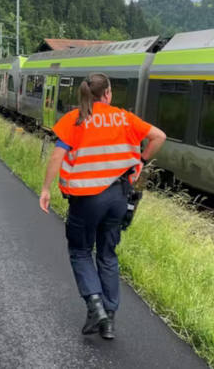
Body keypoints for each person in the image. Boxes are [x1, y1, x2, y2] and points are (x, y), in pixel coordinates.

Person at [38, 73, 166, 340]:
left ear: (85, 94)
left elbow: (57, 156)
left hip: (86, 200)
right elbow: (159, 137)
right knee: (107, 255)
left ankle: (95, 306)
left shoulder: (75, 119)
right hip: (119, 196)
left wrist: (46, 188)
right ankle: (108, 321)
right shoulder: (124, 117)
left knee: (81, 251)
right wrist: (140, 160)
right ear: (107, 93)